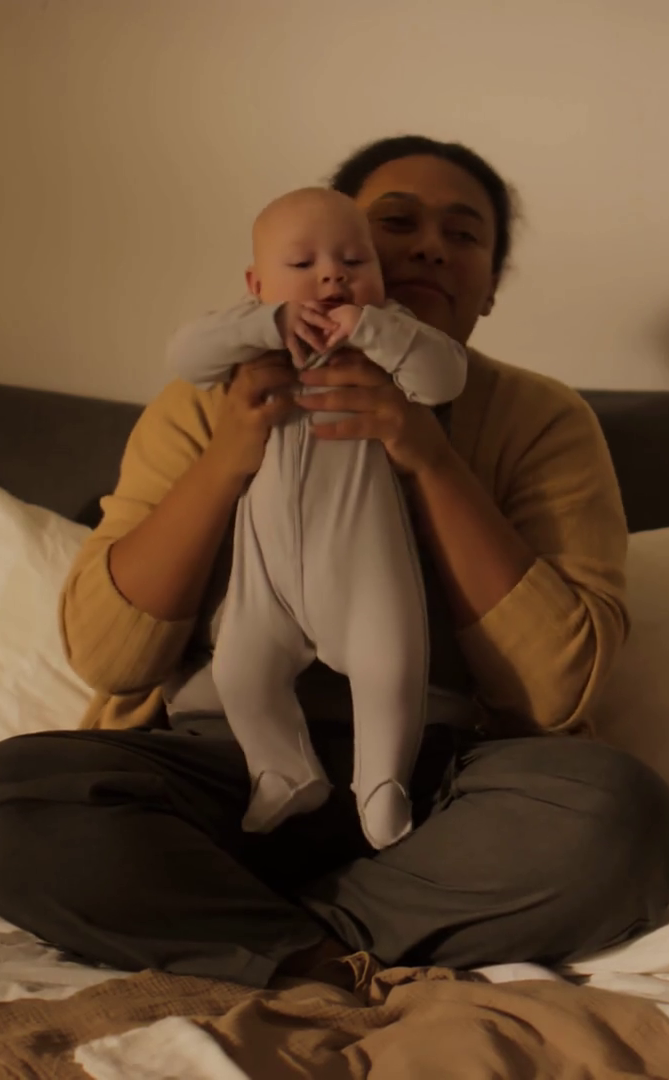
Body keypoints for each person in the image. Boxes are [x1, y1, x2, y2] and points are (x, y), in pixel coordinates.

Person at [0, 135, 669, 988]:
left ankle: (273, 943)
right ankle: (332, 943)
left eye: (464, 235)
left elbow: (557, 687)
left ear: (489, 287)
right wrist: (232, 452)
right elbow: (111, 655)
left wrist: (428, 456)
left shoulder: (540, 417)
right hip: (218, 772)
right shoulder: (208, 396)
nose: (429, 248)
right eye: (394, 224)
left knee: (622, 817)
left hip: (439, 783)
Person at [165, 186, 469, 849]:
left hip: (362, 564)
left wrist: (374, 329)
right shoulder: (249, 337)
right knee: (239, 670)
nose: (332, 276)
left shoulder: (388, 334)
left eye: (354, 261)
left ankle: (381, 787)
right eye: (302, 264)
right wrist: (264, 325)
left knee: (391, 668)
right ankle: (282, 770)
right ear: (257, 285)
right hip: (266, 574)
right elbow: (184, 357)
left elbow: (444, 377)